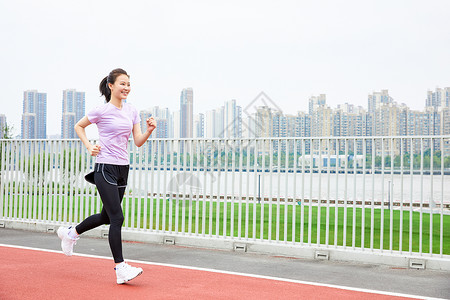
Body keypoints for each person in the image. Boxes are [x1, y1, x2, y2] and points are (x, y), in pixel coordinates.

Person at [57, 68, 156, 284]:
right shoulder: (101, 110)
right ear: (111, 86)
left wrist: (148, 131)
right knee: (117, 218)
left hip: (123, 168)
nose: (126, 88)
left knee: (106, 216)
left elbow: (137, 141)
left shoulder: (132, 111)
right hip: (104, 168)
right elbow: (79, 126)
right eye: (122, 84)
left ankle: (71, 233)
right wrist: (89, 145)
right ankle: (121, 268)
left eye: (128, 84)